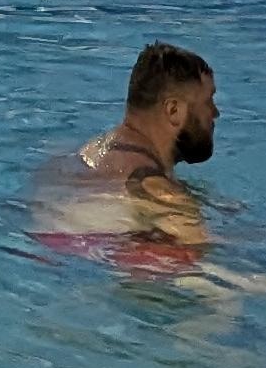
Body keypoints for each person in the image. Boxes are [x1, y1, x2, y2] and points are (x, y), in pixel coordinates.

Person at [31, 40, 220, 272]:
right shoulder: (155, 187)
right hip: (96, 260)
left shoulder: (90, 152)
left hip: (49, 251)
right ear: (173, 111)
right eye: (208, 101)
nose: (215, 113)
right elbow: (204, 254)